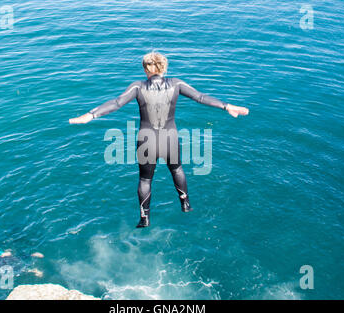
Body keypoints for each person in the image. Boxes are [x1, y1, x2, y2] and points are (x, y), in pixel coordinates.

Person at [69, 52, 249, 228]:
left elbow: (117, 103)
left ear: (145, 70)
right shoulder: (176, 84)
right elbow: (200, 97)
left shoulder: (138, 87)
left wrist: (90, 115)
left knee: (145, 180)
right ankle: (185, 204)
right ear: (164, 68)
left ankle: (144, 218)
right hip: (170, 138)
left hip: (147, 141)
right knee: (177, 169)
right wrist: (227, 106)